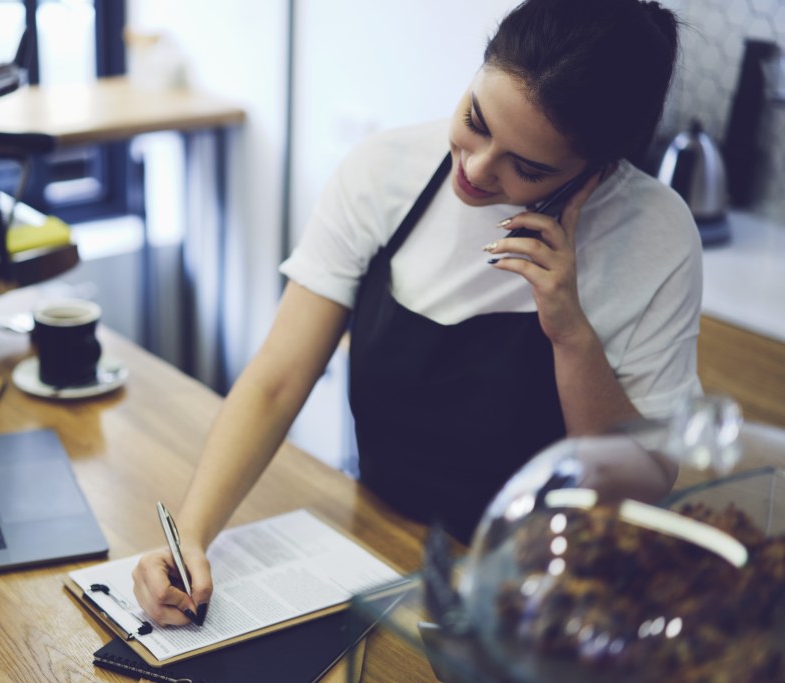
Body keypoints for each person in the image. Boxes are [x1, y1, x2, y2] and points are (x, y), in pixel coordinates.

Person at [133, 0, 701, 627]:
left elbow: (640, 486)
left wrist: (570, 333)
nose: (478, 169)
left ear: (600, 168)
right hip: (378, 547)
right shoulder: (383, 172)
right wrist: (189, 536)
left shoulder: (655, 235)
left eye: (529, 167)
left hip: (547, 598)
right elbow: (277, 379)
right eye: (476, 120)